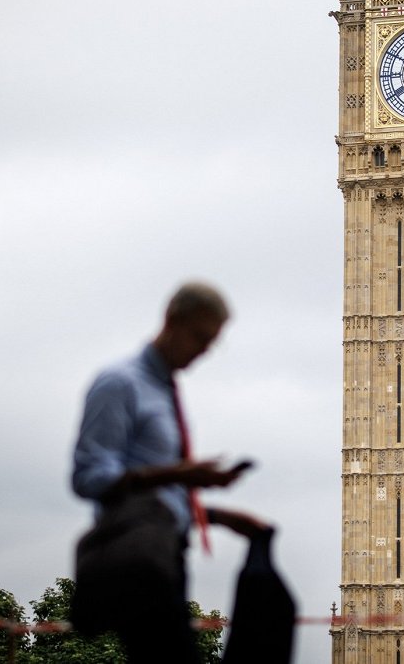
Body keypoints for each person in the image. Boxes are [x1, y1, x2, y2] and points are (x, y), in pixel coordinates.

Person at [72, 281, 266, 662]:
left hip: (165, 559)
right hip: (137, 565)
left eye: (212, 343)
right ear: (171, 320)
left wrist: (216, 516)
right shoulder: (119, 383)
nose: (203, 351)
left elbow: (157, 501)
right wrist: (177, 475)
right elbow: (88, 477)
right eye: (199, 337)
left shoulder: (164, 392)